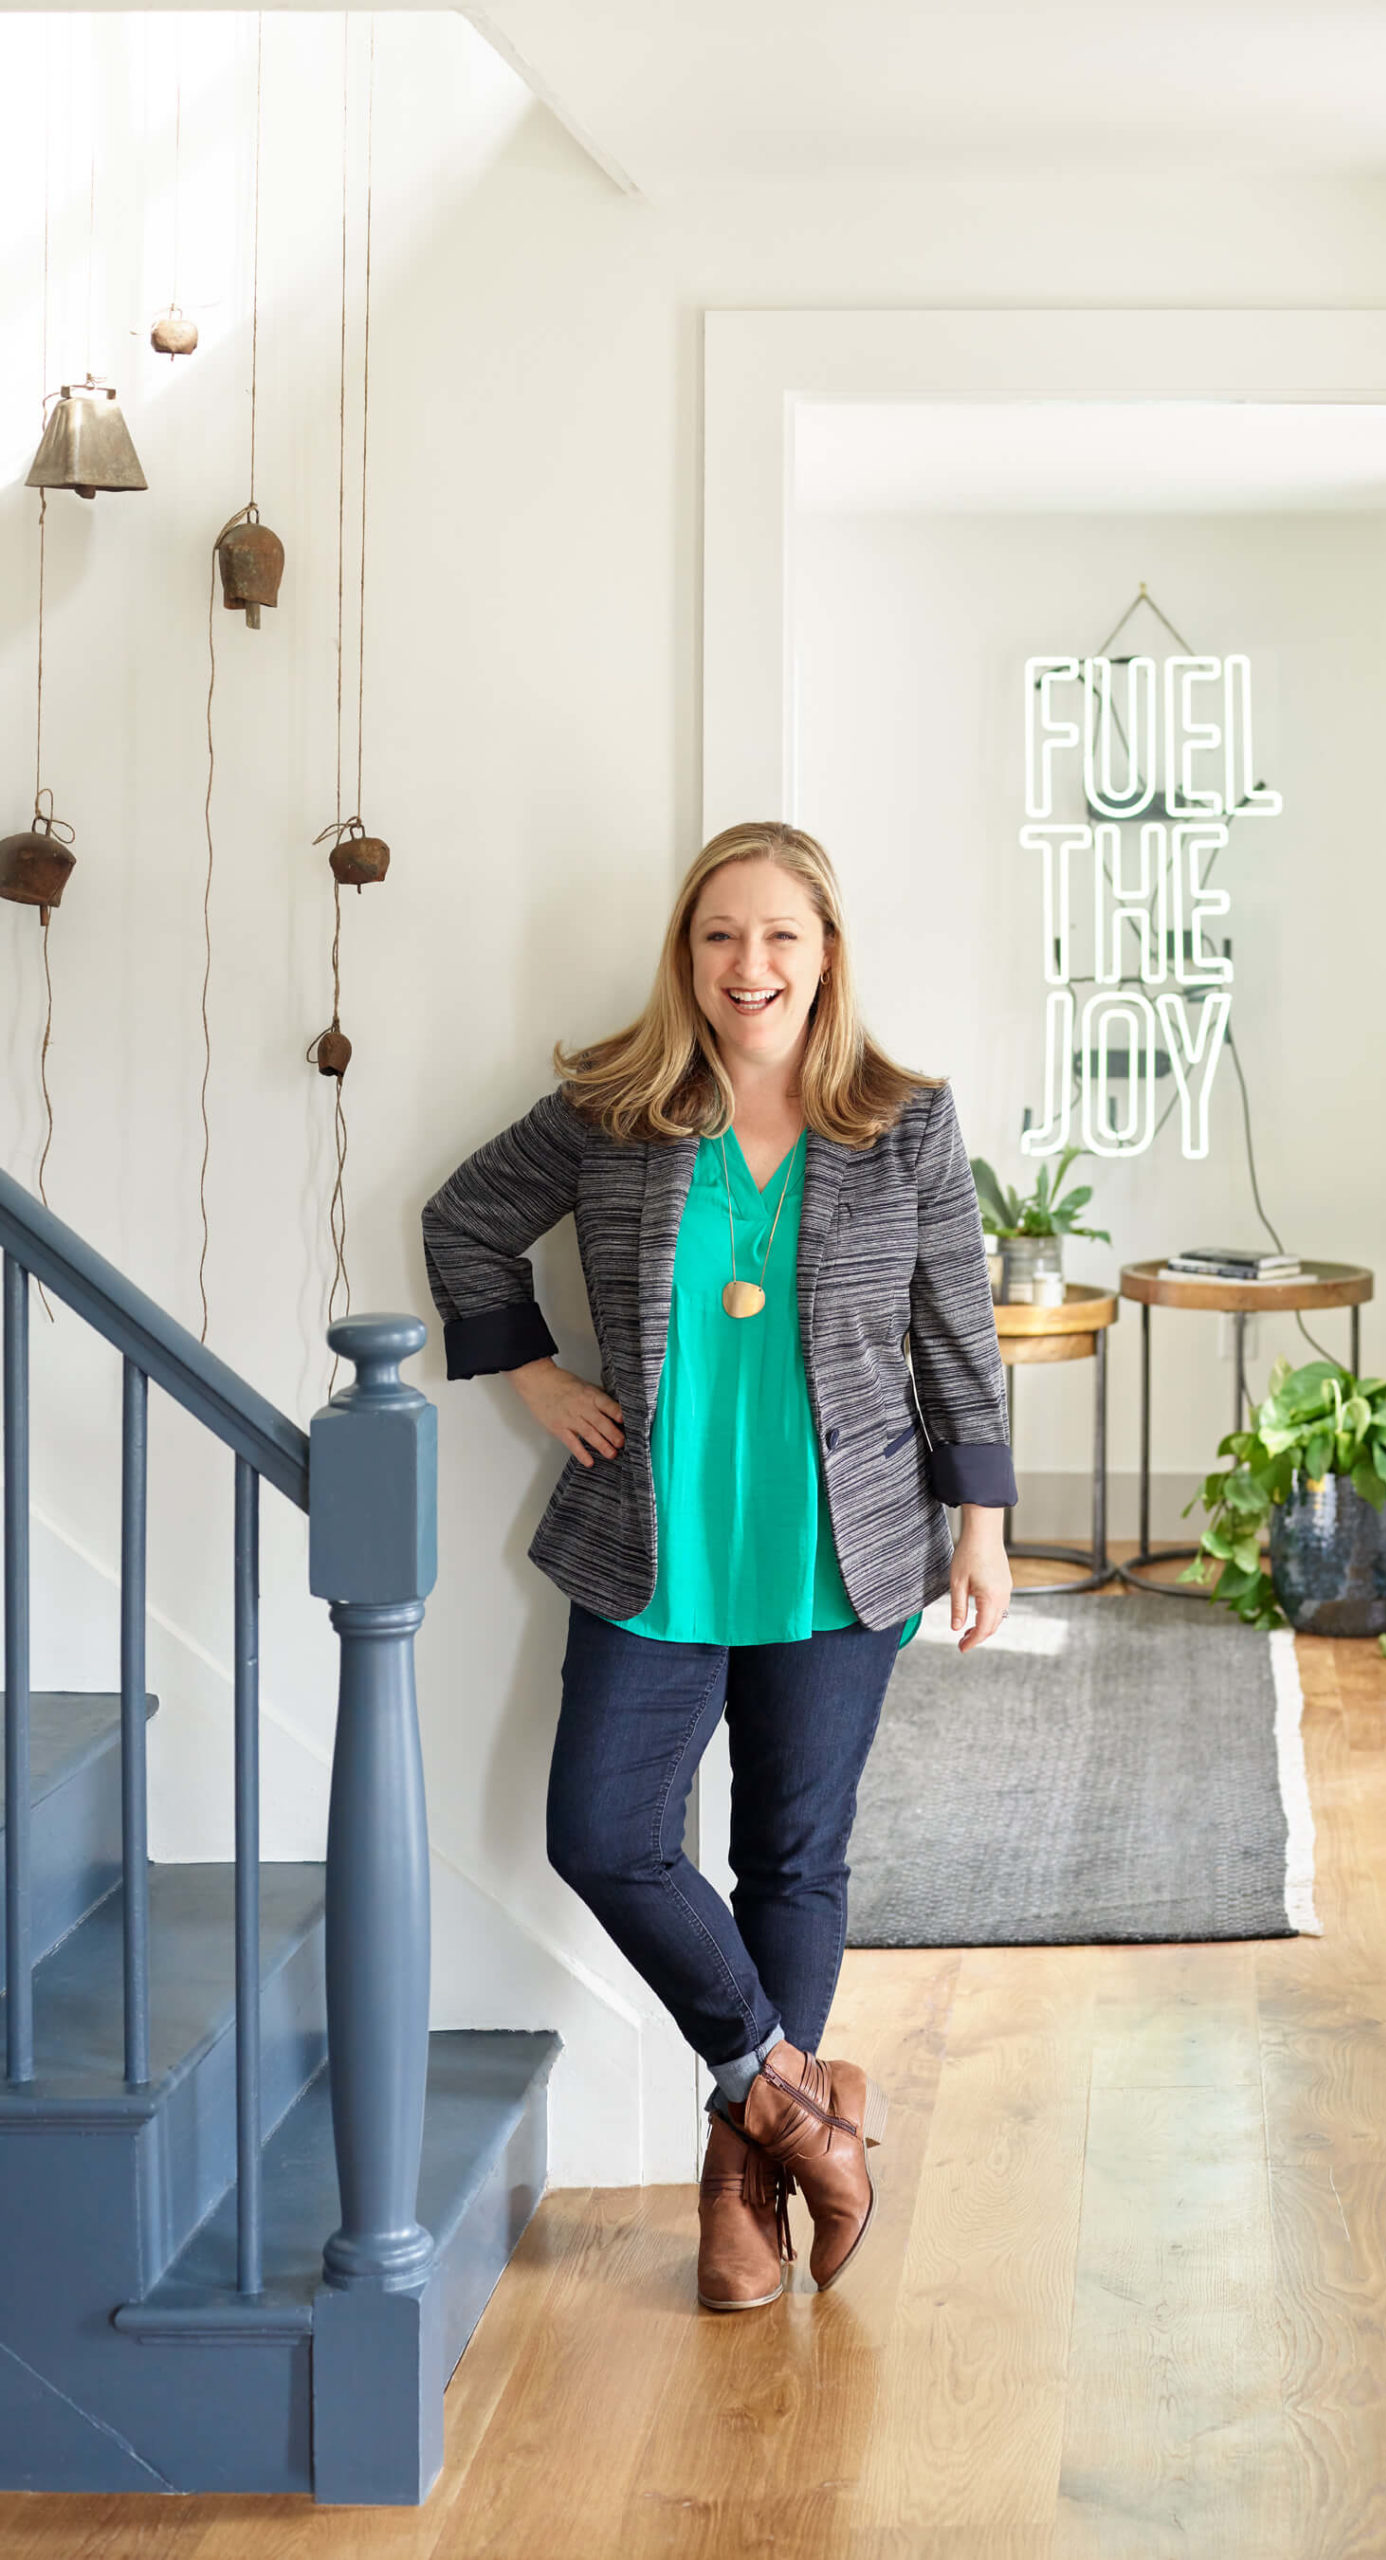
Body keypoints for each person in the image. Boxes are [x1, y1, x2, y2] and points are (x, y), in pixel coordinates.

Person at [420, 820, 1015, 2312]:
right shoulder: (614, 1112)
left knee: (792, 1860)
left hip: (841, 1547)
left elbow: (957, 1335)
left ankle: (743, 2184)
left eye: (780, 937)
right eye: (720, 937)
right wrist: (535, 1382)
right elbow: (467, 1223)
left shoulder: (908, 1124)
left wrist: (981, 1523)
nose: (750, 967)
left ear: (826, 955)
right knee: (603, 1830)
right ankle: (797, 2104)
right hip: (654, 1543)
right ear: (686, 956)